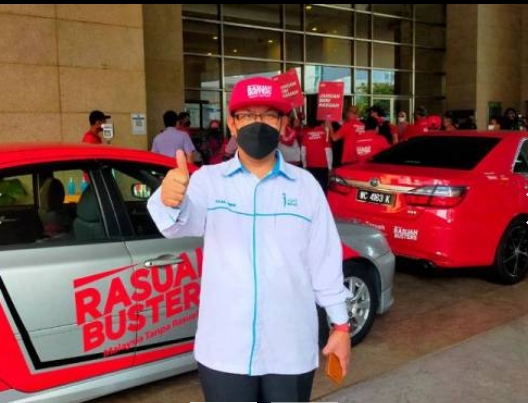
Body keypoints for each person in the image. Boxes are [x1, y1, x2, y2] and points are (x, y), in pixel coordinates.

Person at [147, 76, 351, 403]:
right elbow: (174, 225)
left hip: (290, 349)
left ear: (282, 124)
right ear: (232, 124)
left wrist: (341, 326)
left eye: (269, 115)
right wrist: (168, 199)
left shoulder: (306, 187)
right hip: (225, 350)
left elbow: (324, 260)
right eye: (247, 115)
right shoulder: (209, 182)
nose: (258, 123)